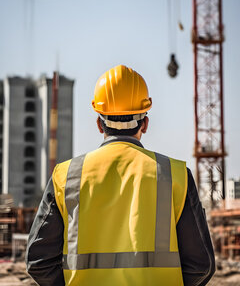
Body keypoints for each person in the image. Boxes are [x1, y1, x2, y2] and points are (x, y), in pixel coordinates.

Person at [26, 65, 215, 286]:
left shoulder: (66, 176)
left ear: (99, 124)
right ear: (145, 124)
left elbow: (38, 262)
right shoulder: (175, 175)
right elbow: (201, 265)